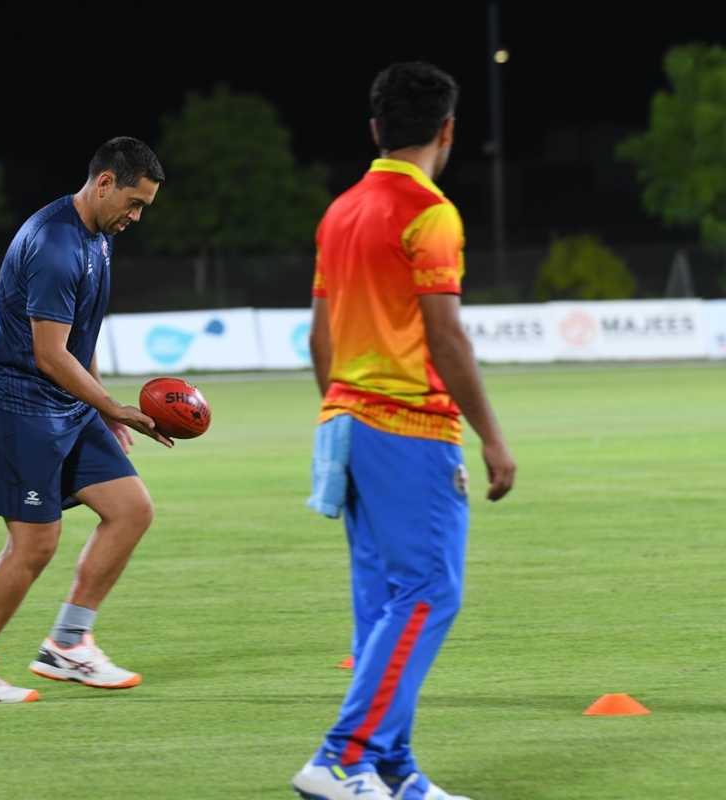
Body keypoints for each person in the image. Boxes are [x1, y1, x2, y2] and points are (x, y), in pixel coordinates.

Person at [291, 62, 517, 799]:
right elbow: (444, 336)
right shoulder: (430, 213)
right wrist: (491, 436)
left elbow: (320, 337)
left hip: (348, 426)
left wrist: (342, 410)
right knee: (429, 592)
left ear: (376, 130)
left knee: (385, 602)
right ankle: (341, 758)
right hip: (409, 426)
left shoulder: (342, 211)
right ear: (447, 131)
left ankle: (390, 771)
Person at [0, 137, 171, 705]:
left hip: (63, 400)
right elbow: (49, 354)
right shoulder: (55, 245)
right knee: (35, 543)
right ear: (105, 183)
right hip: (16, 402)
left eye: (144, 208)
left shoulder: (99, 237)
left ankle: (67, 645)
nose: (136, 217)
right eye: (134, 203)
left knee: (131, 509)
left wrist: (99, 408)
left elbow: (79, 338)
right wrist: (112, 407)